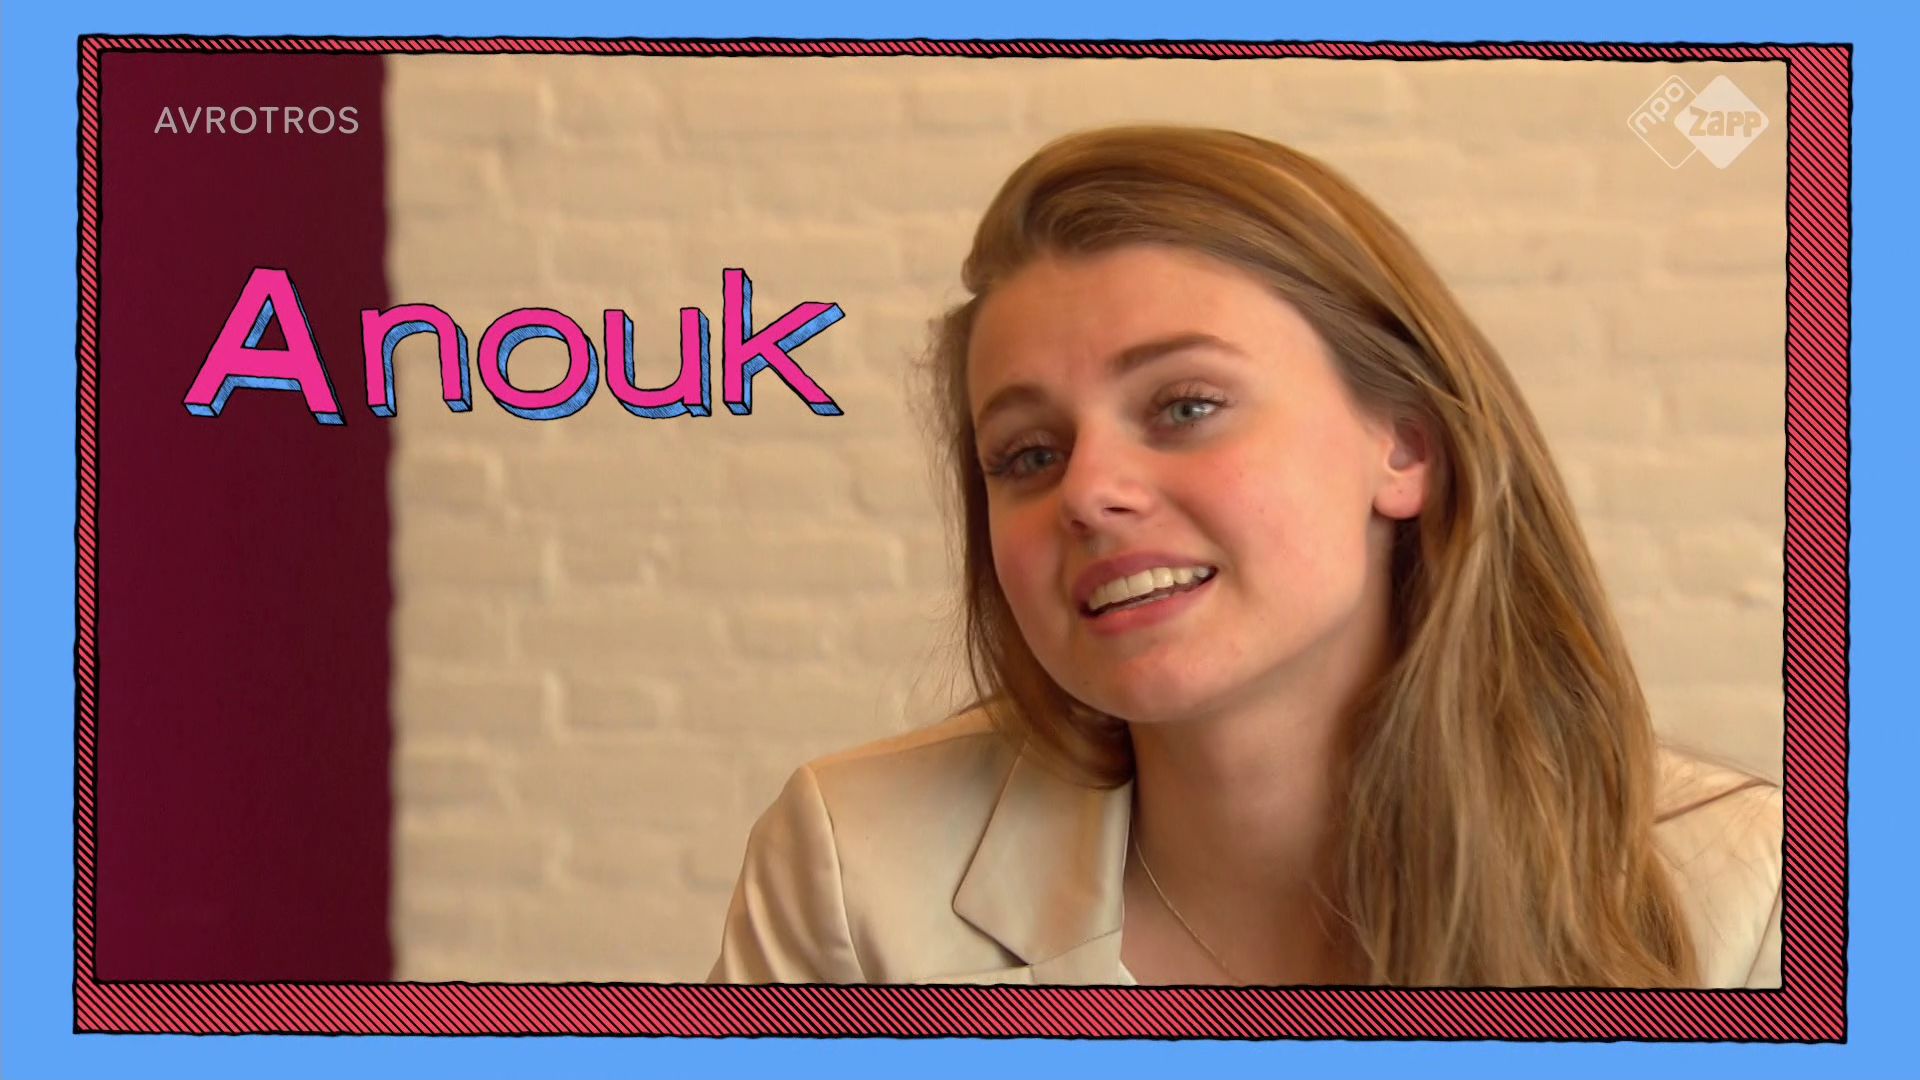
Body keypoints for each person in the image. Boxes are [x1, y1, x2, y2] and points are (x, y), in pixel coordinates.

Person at [706, 125, 1782, 988]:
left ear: (1405, 446)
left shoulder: (1753, 893)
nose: (1087, 490)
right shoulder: (853, 870)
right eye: (1028, 453)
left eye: (1185, 405)